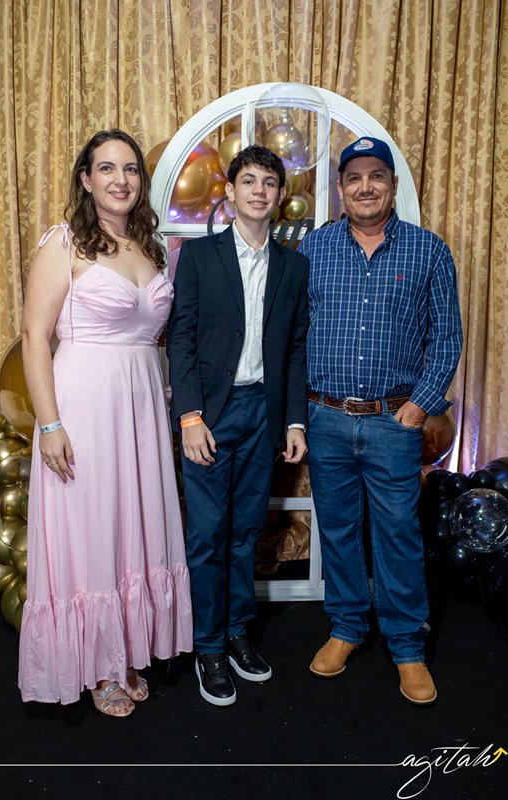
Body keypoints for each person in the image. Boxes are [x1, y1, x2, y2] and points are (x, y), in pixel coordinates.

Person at [19, 129, 193, 716]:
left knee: (132, 528)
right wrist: (49, 425)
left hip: (141, 408)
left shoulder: (152, 247)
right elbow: (33, 338)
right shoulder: (63, 242)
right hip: (84, 407)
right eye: (107, 168)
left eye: (131, 169)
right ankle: (97, 667)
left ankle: (126, 648)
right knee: (92, 530)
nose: (121, 179)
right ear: (86, 179)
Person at [299, 136, 462, 705]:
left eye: (376, 176)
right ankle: (346, 627)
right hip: (326, 418)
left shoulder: (428, 251)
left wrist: (421, 405)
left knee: (398, 533)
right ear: (341, 189)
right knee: (338, 530)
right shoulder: (314, 249)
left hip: (395, 421)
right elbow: (293, 333)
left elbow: (447, 338)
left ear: (392, 185)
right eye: (354, 178)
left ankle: (407, 646)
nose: (365, 186)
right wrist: (298, 414)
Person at [167, 145, 309, 707]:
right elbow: (181, 338)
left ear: (279, 196)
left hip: (262, 415)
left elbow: (295, 350)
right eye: (248, 181)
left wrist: (294, 421)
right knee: (207, 535)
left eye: (268, 183)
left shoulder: (294, 267)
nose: (258, 191)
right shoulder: (200, 257)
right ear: (230, 192)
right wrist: (190, 416)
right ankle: (207, 646)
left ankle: (236, 633)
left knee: (247, 531)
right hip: (211, 414)